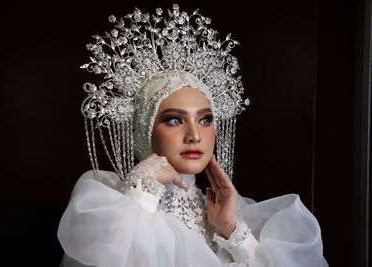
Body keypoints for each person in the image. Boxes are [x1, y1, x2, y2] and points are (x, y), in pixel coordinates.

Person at [58, 4, 328, 266]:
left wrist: (232, 232)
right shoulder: (109, 208)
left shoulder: (235, 217)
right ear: (144, 129)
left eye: (205, 120)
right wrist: (141, 189)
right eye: (174, 120)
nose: (194, 135)